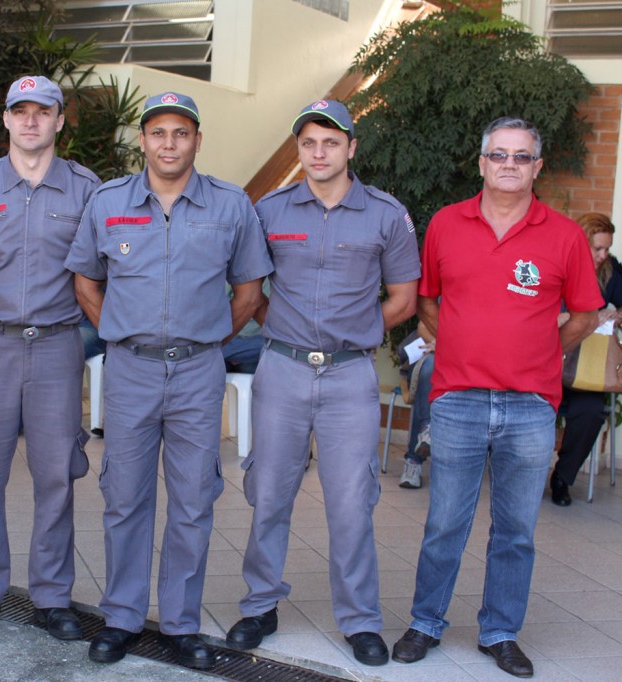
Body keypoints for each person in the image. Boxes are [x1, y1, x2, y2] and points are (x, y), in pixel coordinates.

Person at [66, 91, 272, 670]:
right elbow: (86, 283)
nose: (169, 144)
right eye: (158, 132)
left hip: (198, 370)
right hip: (128, 368)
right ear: (143, 140)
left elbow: (249, 293)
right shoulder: (108, 203)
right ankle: (122, 618)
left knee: (192, 499)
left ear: (197, 140)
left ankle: (180, 623)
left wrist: (206, 340)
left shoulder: (231, 205)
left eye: (181, 133)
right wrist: (124, 335)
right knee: (125, 496)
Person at [391, 117, 602, 678]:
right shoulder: (445, 224)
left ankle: (500, 631)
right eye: (499, 155)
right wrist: (458, 343)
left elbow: (585, 313)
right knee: (444, 523)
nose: (510, 165)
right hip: (457, 398)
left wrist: (543, 350)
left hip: (530, 406)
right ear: (482, 163)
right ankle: (426, 622)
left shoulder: (564, 235)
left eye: (522, 156)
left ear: (537, 167)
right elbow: (428, 301)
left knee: (515, 531)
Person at [225, 100, 419, 667]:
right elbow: (252, 290)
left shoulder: (386, 214)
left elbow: (404, 298)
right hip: (281, 369)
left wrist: (353, 331)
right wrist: (285, 330)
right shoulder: (270, 209)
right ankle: (260, 605)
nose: (319, 153)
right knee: (268, 492)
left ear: (352, 148)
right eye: (309, 143)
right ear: (299, 150)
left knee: (352, 500)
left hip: (349, 375)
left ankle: (360, 620)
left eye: (331, 143)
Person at [0, 76, 100, 642]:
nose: (32, 121)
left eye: (44, 112)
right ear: (7, 118)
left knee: (56, 474)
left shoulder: (87, 189)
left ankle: (51, 595)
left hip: (58, 344)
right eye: (22, 111)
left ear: (61, 120)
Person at [550, 212, 622, 506]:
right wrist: (559, 317)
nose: (603, 255)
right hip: (546, 367)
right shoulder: (553, 265)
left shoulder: (608, 272)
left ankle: (562, 478)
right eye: (597, 248)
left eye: (607, 249)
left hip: (585, 370)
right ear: (580, 242)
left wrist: (616, 316)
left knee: (590, 413)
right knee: (531, 409)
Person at [399, 321, 435, 489]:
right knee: (428, 370)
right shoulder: (444, 296)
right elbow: (423, 327)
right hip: (434, 353)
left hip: (465, 360)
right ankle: (414, 459)